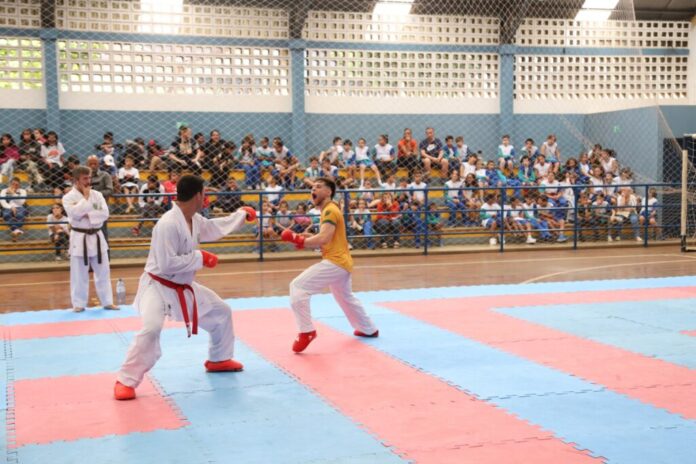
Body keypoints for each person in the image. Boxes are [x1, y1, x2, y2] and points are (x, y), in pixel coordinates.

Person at [114, 175, 257, 400]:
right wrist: (200, 257)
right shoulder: (168, 223)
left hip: (183, 285)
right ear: (198, 195)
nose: (206, 197)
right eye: (205, 193)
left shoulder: (194, 219)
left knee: (221, 312)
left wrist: (240, 216)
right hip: (158, 287)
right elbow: (166, 263)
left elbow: (213, 228)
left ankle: (218, 358)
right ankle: (125, 380)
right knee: (151, 329)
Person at [280, 177, 378, 353]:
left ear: (329, 191)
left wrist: (297, 239)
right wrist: (303, 240)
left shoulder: (330, 210)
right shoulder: (329, 210)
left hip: (335, 261)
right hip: (342, 261)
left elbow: (323, 238)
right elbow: (324, 239)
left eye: (318, 187)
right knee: (345, 297)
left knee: (297, 287)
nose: (313, 190)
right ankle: (368, 328)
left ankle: (306, 331)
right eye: (312, 187)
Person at [62, 166, 118, 312]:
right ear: (76, 180)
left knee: (103, 271)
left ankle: (107, 302)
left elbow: (104, 214)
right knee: (79, 273)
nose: (88, 181)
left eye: (89, 177)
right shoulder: (68, 198)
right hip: (79, 238)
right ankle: (79, 304)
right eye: (85, 178)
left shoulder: (98, 195)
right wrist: (86, 200)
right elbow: (74, 214)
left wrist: (87, 214)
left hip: (97, 236)